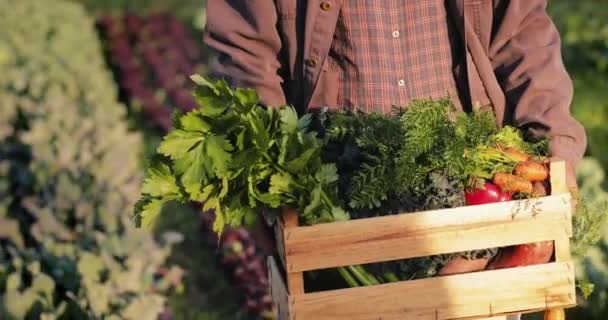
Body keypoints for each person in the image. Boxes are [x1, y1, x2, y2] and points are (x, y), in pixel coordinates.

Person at [204, 2, 586, 320]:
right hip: (338, 206)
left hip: (474, 207)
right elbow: (244, 53)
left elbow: (523, 32)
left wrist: (556, 155)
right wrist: (274, 172)